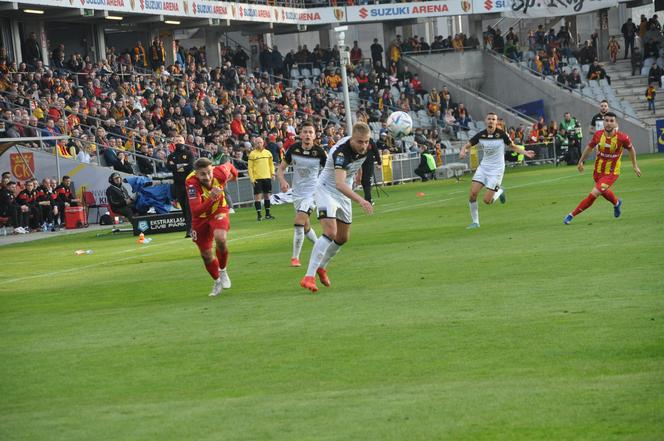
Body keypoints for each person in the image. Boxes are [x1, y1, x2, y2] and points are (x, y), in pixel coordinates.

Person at [300, 122, 374, 293]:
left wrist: (358, 174)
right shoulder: (341, 153)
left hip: (344, 191)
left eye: (366, 142)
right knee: (330, 231)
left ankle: (321, 267)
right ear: (352, 139)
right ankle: (308, 276)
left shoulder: (369, 145)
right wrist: (361, 201)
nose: (364, 145)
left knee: (342, 237)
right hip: (327, 189)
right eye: (360, 142)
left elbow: (360, 163)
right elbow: (339, 184)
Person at [459, 113, 535, 229]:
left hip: (497, 170)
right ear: (485, 121)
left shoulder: (502, 134)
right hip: (483, 168)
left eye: (493, 119)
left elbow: (512, 146)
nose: (491, 121)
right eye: (489, 119)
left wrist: (526, 153)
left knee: (487, 201)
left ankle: (499, 192)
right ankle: (475, 222)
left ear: (496, 122)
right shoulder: (481, 135)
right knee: (472, 194)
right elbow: (467, 145)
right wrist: (463, 150)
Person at [563, 112, 641, 225]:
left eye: (611, 121)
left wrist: (635, 166)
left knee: (594, 193)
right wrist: (580, 161)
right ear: (603, 122)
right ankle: (616, 203)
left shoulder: (622, 138)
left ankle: (571, 215)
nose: (609, 123)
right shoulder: (598, 135)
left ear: (616, 123)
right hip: (598, 171)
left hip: (611, 173)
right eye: (607, 120)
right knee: (603, 191)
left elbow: (631, 149)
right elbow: (589, 148)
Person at [277, 121, 327, 267]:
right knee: (305, 227)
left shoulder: (319, 152)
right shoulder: (293, 149)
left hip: (312, 193)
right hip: (297, 193)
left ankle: (295, 258)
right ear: (300, 134)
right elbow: (280, 170)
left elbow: (329, 170)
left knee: (298, 222)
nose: (307, 135)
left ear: (315, 135)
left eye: (310, 132)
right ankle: (320, 246)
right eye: (305, 132)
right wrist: (283, 181)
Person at [186, 158, 238, 297]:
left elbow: (230, 165)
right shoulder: (191, 183)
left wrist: (235, 177)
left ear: (213, 169)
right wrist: (212, 197)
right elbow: (196, 211)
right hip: (200, 218)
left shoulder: (220, 172)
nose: (208, 177)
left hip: (219, 210)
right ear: (196, 174)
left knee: (220, 238)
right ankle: (217, 281)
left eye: (209, 172)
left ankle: (223, 270)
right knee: (206, 255)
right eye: (203, 174)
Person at [167, 135, 194, 237]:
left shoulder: (189, 153)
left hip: (189, 184)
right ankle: (189, 227)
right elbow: (169, 167)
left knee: (189, 206)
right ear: (173, 142)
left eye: (180, 140)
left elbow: (190, 166)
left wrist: (177, 167)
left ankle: (190, 229)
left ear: (184, 141)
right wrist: (183, 166)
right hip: (178, 185)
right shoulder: (171, 156)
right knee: (183, 206)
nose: (178, 142)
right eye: (176, 140)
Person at [247, 137, 275, 221]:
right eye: (257, 142)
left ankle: (267, 214)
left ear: (263, 143)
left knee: (267, 196)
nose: (259, 144)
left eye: (260, 142)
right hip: (257, 179)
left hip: (267, 177)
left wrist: (272, 173)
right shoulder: (252, 154)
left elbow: (271, 165)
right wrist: (252, 179)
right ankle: (259, 215)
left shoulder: (268, 153)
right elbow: (250, 168)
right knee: (257, 197)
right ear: (255, 144)